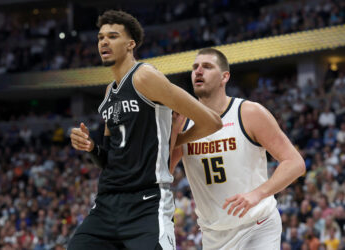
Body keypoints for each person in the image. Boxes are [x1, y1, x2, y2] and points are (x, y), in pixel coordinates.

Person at [68, 10, 222, 250]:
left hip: (146, 203)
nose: (103, 42)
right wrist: (91, 147)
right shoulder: (110, 92)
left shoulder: (145, 77)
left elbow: (212, 122)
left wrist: (176, 140)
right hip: (107, 204)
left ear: (130, 44)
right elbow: (108, 158)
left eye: (112, 36)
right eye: (100, 38)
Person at [171, 48, 305, 250]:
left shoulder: (249, 113)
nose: (198, 71)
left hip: (257, 225)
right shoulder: (182, 121)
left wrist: (257, 194)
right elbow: (164, 171)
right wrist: (173, 133)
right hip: (213, 233)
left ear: (225, 76)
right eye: (195, 67)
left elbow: (295, 163)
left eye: (207, 67)